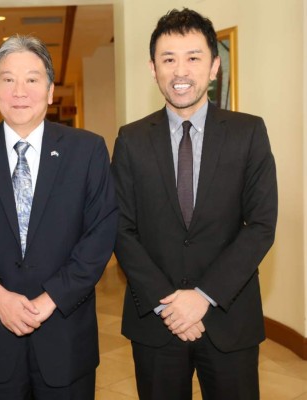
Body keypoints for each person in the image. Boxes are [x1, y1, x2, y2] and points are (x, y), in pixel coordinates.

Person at [0, 34, 118, 400]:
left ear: (50, 90)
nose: (20, 90)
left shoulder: (87, 150)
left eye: (32, 79)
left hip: (66, 338)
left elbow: (99, 239)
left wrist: (51, 298)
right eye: (8, 79)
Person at [111, 8, 277, 399]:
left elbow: (261, 225)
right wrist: (169, 305)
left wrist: (203, 297)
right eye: (168, 59)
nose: (179, 70)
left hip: (228, 317)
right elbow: (120, 227)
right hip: (155, 321)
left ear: (214, 66)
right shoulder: (131, 140)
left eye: (193, 57)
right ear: (153, 69)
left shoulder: (248, 133)